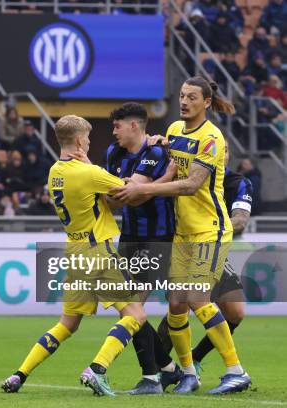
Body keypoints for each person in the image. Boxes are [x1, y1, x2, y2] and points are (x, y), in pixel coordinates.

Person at [110, 76, 251, 394]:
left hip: (209, 230)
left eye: (191, 97)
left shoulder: (212, 138)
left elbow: (190, 185)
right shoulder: (174, 130)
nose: (184, 101)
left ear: (206, 102)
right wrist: (157, 146)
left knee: (198, 299)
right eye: (182, 96)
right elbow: (170, 164)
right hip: (182, 233)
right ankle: (188, 373)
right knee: (176, 304)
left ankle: (236, 370)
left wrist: (145, 188)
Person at [2, 115, 146, 397]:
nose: (89, 143)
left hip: (75, 253)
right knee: (135, 314)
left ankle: (20, 374)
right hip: (98, 250)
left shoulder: (54, 171)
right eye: (88, 139)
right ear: (80, 141)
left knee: (67, 324)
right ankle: (98, 368)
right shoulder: (88, 173)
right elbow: (129, 189)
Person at [103, 102, 180, 394]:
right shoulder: (114, 153)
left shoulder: (156, 152)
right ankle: (167, 369)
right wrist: (163, 179)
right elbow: (114, 198)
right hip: (129, 236)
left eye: (117, 126)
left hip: (157, 238)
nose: (113, 132)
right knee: (131, 309)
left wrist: (126, 192)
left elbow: (133, 196)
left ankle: (151, 378)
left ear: (134, 125)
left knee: (133, 306)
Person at [158, 142, 252, 374]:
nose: (224, 154)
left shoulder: (238, 182)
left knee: (236, 312)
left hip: (211, 244)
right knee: (180, 303)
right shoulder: (187, 177)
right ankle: (156, 368)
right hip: (182, 245)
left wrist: (212, 230)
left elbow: (240, 220)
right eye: (222, 149)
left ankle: (195, 360)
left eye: (228, 150)